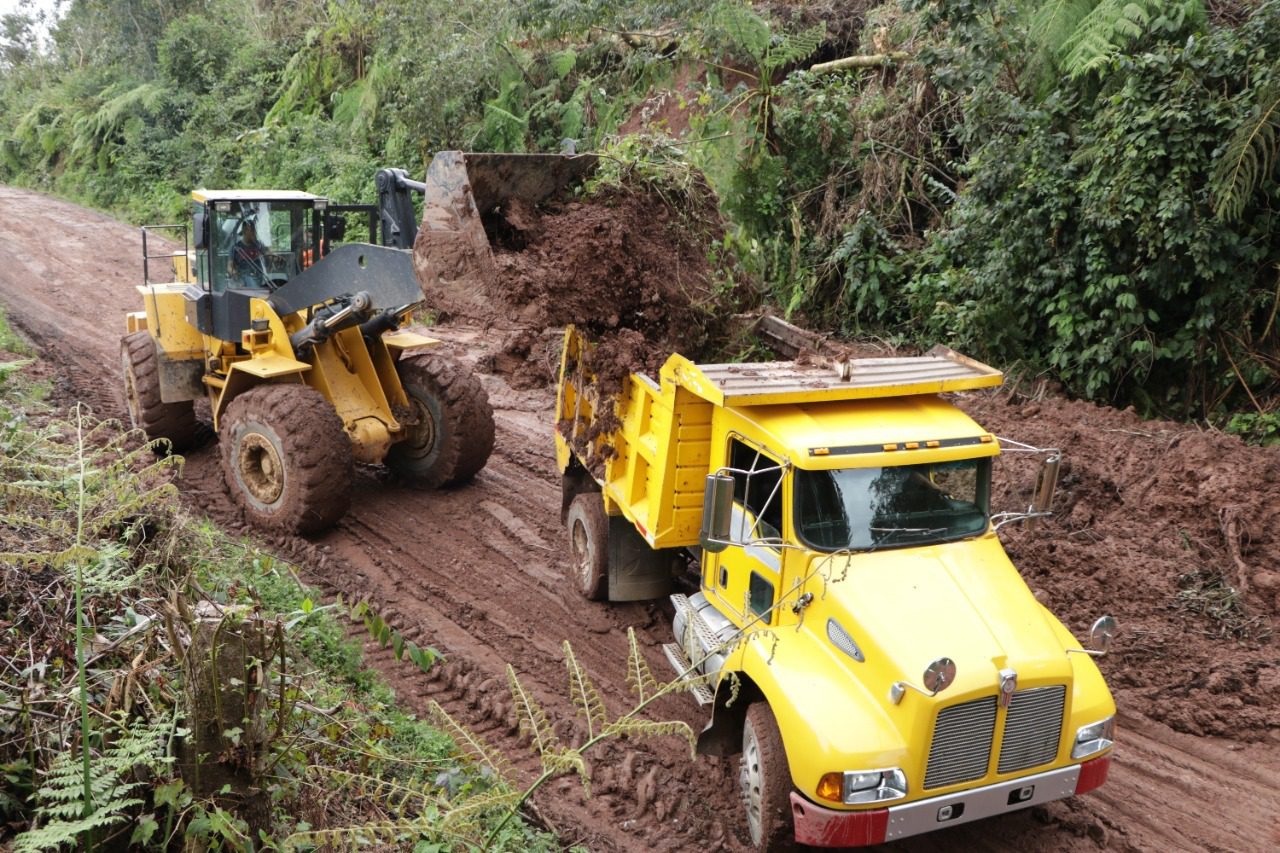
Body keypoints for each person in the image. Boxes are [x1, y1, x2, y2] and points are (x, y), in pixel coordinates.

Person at [229, 220, 268, 287]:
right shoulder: (236, 247)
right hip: (244, 278)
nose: (253, 232)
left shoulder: (259, 245)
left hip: (261, 276)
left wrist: (276, 258)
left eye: (254, 230)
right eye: (251, 230)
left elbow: (268, 253)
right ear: (244, 231)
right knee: (251, 282)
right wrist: (234, 273)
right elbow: (230, 266)